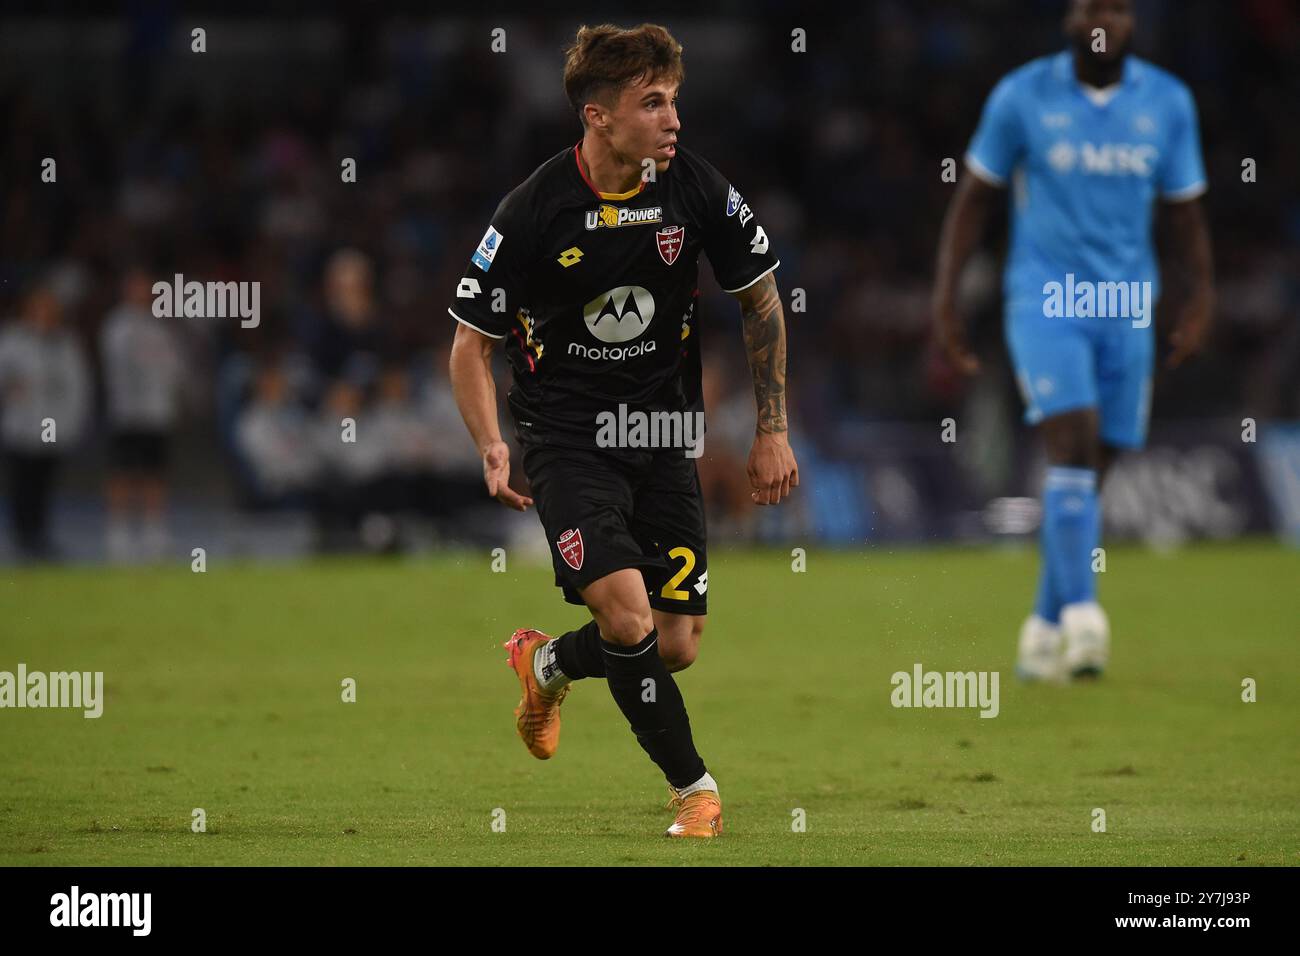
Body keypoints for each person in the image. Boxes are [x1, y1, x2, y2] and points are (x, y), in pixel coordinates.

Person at [448, 23, 797, 837]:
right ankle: (695, 791)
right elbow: (470, 343)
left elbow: (762, 297)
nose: (673, 119)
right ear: (598, 117)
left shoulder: (697, 188)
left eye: (674, 100)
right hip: (566, 438)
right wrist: (492, 443)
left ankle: (547, 663)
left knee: (675, 643)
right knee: (630, 617)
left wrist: (772, 427)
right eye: (652, 103)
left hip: (664, 431)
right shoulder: (534, 210)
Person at [931, 0, 1215, 681]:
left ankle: (1042, 627)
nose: (1103, 20)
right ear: (1068, 18)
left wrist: (1202, 295)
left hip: (1128, 307)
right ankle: (1086, 619)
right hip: (1045, 298)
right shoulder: (1021, 95)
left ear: (1132, 21)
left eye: (1116, 8)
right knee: (1073, 438)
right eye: (1092, 7)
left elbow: (1184, 213)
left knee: (1097, 466)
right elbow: (973, 199)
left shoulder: (1168, 103)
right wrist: (945, 298)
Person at [100, 267, 187, 562]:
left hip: (157, 412)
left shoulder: (161, 326)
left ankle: (154, 532)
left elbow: (174, 367)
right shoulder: (117, 325)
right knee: (122, 473)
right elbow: (118, 365)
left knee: (155, 473)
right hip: (126, 412)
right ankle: (119, 533)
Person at [0, 285, 91, 560]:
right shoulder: (13, 339)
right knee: (22, 480)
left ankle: (39, 533)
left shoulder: (66, 342)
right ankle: (21, 534)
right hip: (21, 424)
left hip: (53, 425)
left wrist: (74, 422)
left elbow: (78, 385)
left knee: (44, 481)